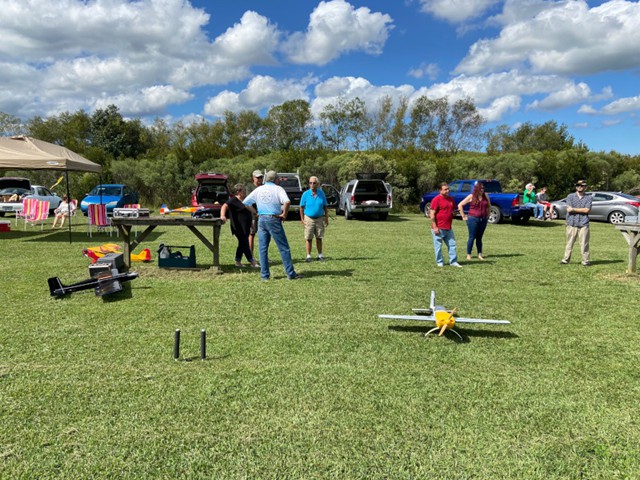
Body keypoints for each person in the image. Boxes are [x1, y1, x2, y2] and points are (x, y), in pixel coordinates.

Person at [243, 170, 303, 281]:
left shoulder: (258, 189)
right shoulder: (278, 189)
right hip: (274, 219)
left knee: (263, 249)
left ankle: (264, 275)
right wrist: (284, 214)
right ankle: (290, 273)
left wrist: (255, 212)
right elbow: (287, 202)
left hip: (261, 219)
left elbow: (246, 202)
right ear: (276, 179)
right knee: (283, 248)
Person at [220, 184, 259, 268]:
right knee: (245, 243)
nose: (245, 193)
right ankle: (252, 261)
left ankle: (238, 261)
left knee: (242, 244)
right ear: (238, 192)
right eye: (243, 191)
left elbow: (248, 213)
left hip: (246, 226)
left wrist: (251, 224)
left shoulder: (245, 200)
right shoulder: (233, 200)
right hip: (238, 227)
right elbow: (224, 206)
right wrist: (223, 216)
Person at [429, 183, 462, 267]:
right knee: (438, 246)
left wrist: (454, 213)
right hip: (438, 227)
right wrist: (435, 227)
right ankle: (439, 262)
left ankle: (453, 261)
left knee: (452, 244)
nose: (448, 191)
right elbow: (432, 214)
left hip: (448, 227)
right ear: (440, 190)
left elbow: (453, 211)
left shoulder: (450, 199)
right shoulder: (436, 199)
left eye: (448, 189)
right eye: (445, 189)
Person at [561, 179, 592, 266]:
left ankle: (585, 261)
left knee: (584, 244)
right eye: (578, 185)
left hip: (583, 223)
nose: (579, 187)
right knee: (569, 243)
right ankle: (565, 259)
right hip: (571, 223)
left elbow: (587, 210)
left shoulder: (589, 197)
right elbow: (568, 209)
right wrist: (580, 210)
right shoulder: (570, 196)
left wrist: (574, 209)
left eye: (582, 186)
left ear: (585, 187)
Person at [458, 183, 491, 260]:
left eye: (483, 188)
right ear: (476, 189)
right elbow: (460, 205)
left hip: (483, 219)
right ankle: (469, 254)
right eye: (480, 188)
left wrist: (488, 215)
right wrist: (463, 216)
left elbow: (489, 206)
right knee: (472, 237)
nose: (482, 190)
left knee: (479, 238)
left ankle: (480, 254)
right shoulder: (471, 196)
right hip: (473, 219)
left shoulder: (486, 196)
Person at [300, 176, 329, 262]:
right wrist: (302, 219)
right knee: (308, 237)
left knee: (319, 237)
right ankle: (308, 256)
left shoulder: (321, 193)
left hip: (319, 218)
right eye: (310, 183)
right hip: (309, 218)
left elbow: (325, 206)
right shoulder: (305, 194)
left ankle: (320, 255)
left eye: (314, 183)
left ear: (317, 184)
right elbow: (301, 207)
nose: (312, 184)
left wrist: (326, 218)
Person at [248, 170, 263, 258]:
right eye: (258, 177)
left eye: (261, 177)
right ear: (253, 178)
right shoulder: (249, 187)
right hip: (253, 215)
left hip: (263, 214)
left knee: (264, 234)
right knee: (252, 234)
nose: (259, 179)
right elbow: (248, 201)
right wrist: (255, 212)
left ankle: (263, 255)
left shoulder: (263, 187)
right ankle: (251, 256)